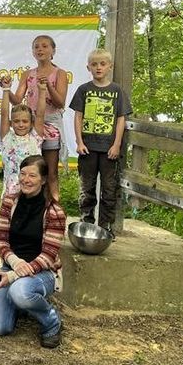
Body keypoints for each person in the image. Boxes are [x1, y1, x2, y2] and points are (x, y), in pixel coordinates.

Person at [0, 155, 66, 348]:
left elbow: (48, 257)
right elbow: (0, 240)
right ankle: (22, 305)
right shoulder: (9, 202)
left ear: (44, 180)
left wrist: (13, 276)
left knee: (20, 291)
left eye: (32, 175)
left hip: (42, 272)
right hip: (11, 266)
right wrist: (14, 263)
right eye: (23, 174)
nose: (26, 180)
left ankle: (52, 321)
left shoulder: (55, 212)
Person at [69, 48, 132, 233]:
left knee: (109, 189)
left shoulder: (117, 91)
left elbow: (121, 118)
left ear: (110, 66)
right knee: (86, 189)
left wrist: (116, 144)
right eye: (94, 64)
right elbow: (78, 116)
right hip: (87, 148)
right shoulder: (84, 90)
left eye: (102, 64)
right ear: (88, 67)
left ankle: (106, 227)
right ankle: (86, 224)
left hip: (109, 149)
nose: (98, 67)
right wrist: (79, 142)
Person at [9, 35, 69, 199]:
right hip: (32, 127)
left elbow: (60, 103)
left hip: (50, 126)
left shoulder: (60, 73)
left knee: (50, 172)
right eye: (36, 47)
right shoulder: (27, 74)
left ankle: (53, 208)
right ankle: (28, 205)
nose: (40, 49)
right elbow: (17, 100)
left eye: (44, 46)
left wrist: (48, 85)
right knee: (30, 170)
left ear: (53, 50)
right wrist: (6, 90)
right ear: (33, 52)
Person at [0, 74, 46, 196]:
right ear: (11, 123)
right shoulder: (7, 138)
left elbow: (40, 114)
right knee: (8, 215)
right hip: (11, 192)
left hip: (32, 192)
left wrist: (42, 90)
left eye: (25, 121)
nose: (20, 124)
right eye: (16, 121)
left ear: (31, 123)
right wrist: (6, 90)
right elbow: (4, 114)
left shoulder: (35, 138)